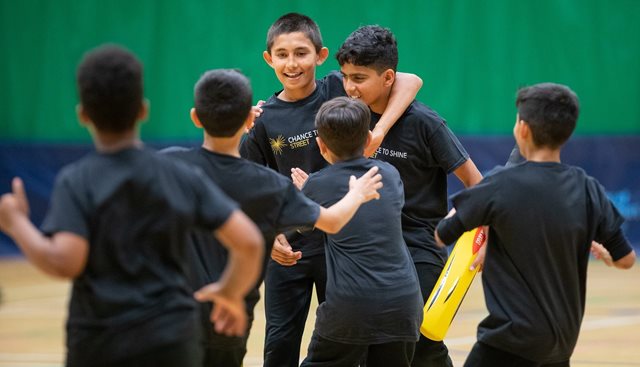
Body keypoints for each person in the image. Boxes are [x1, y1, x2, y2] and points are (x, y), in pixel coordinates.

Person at [0, 45, 265, 367]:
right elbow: (249, 242)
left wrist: (16, 224)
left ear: (83, 114)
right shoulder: (180, 174)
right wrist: (229, 293)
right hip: (172, 339)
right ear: (143, 110)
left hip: (99, 340)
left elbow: (64, 261)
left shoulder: (78, 180)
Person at [162, 69, 383, 367]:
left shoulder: (167, 165)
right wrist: (357, 193)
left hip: (174, 314)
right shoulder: (269, 184)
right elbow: (331, 221)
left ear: (196, 117)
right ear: (251, 120)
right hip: (229, 317)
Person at [240, 13, 423, 367]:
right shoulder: (263, 119)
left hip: (339, 249)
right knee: (279, 342)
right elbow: (252, 185)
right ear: (269, 59)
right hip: (289, 249)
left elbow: (411, 80)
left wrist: (380, 131)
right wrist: (269, 233)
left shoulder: (338, 88)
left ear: (320, 55)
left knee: (347, 346)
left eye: (301, 53)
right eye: (282, 54)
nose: (292, 63)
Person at [434, 82, 636, 367]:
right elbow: (627, 260)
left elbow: (443, 235)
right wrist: (607, 257)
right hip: (560, 345)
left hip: (509, 342)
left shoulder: (499, 185)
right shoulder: (588, 188)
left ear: (523, 129)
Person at [331, 25, 483, 367]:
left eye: (359, 77)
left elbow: (478, 184)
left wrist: (483, 233)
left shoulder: (425, 124)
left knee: (419, 342)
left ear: (387, 78)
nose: (349, 87)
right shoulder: (348, 112)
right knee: (373, 350)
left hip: (420, 249)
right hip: (367, 251)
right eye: (345, 76)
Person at [295, 97, 423, 367]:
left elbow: (303, 227)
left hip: (350, 308)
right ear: (368, 138)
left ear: (320, 145)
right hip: (404, 305)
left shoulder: (316, 185)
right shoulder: (389, 173)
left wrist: (306, 194)